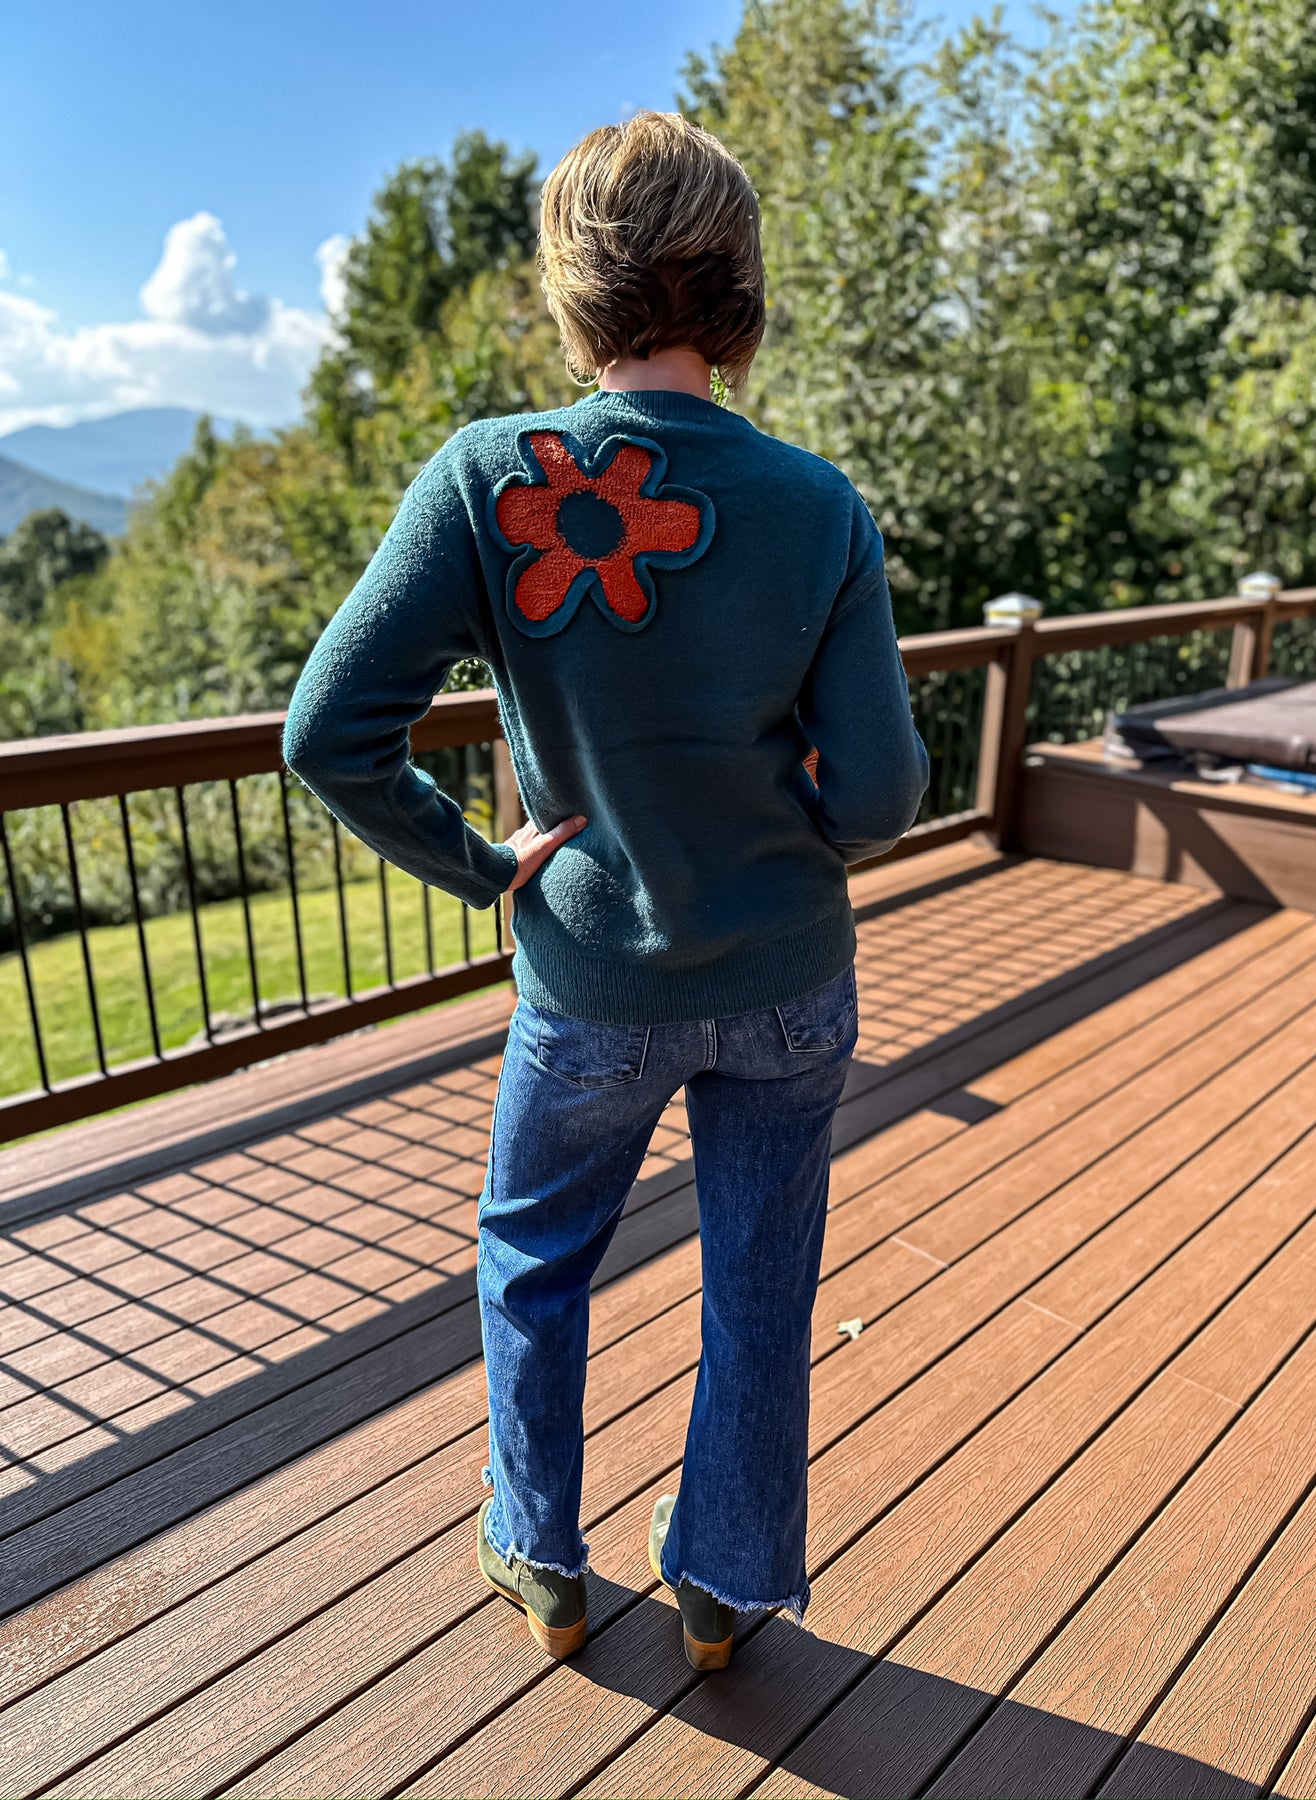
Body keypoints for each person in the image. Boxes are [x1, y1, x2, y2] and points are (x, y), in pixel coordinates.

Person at [283, 110, 929, 1671]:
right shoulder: (817, 504)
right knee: (759, 1286)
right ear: (739, 290)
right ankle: (723, 1584)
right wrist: (784, 825)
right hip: (787, 981)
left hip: (587, 989)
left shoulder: (488, 479)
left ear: (575, 287)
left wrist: (479, 863)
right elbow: (883, 794)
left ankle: (540, 1556)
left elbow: (328, 735)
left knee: (535, 1259)